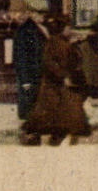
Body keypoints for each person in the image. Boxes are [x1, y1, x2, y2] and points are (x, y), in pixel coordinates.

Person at [21, 12, 91, 145]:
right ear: (62, 28)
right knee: (58, 118)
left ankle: (51, 139)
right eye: (68, 28)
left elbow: (73, 61)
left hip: (63, 87)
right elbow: (49, 63)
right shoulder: (55, 43)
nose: (71, 30)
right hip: (56, 87)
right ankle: (41, 139)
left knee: (61, 120)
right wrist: (63, 76)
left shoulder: (63, 42)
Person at [14, 0, 50, 141]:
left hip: (41, 75)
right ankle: (29, 136)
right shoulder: (25, 31)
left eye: (43, 13)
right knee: (29, 107)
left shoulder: (43, 28)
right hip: (31, 76)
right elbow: (21, 57)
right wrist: (25, 80)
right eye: (39, 13)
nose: (43, 16)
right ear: (31, 13)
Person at [70, 28, 98, 107]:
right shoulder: (91, 44)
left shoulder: (85, 44)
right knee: (93, 84)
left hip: (90, 68)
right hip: (91, 69)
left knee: (95, 83)